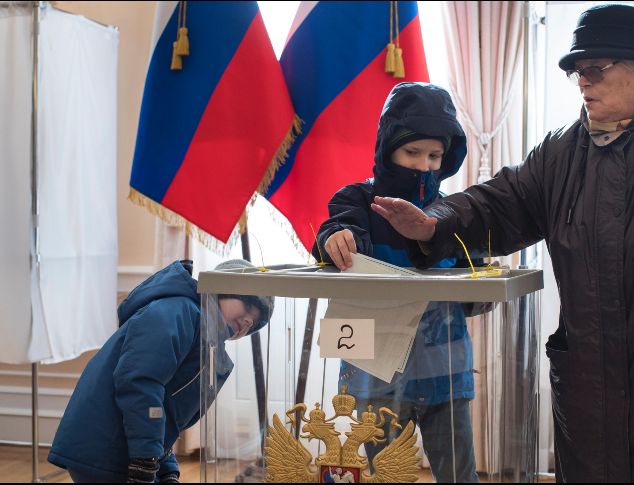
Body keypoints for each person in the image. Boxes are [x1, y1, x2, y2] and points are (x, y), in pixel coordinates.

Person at [370, 4, 634, 483]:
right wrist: (435, 222)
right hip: (591, 387)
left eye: (595, 70)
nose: (583, 82)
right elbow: (500, 203)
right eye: (576, 72)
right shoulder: (563, 149)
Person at [312, 82, 483, 483]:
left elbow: (474, 269)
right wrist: (333, 238)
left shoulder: (454, 211)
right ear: (388, 149)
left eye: (435, 155)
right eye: (412, 152)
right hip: (375, 368)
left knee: (459, 473)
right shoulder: (356, 200)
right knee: (383, 474)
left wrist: (484, 276)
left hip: (444, 367)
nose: (425, 165)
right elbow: (333, 232)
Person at [48, 259, 274, 483]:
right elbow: (141, 384)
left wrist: (166, 466)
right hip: (105, 447)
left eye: (254, 324)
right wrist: (145, 460)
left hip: (127, 449)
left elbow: (165, 410)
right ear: (224, 286)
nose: (246, 322)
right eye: (248, 305)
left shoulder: (209, 345)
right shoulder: (177, 311)